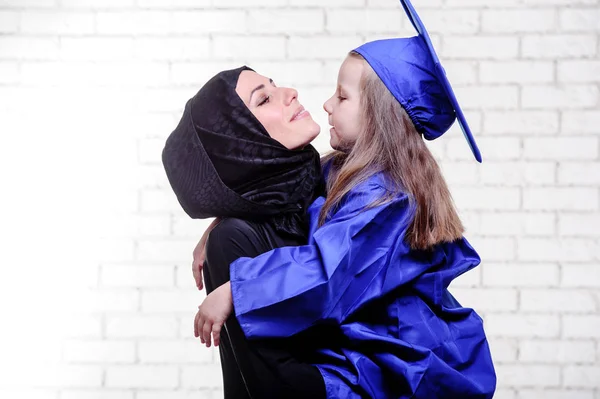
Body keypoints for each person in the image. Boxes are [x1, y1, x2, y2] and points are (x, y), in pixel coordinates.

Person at [191, 0, 496, 398]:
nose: (326, 104)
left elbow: (327, 274)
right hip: (356, 343)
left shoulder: (388, 197)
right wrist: (216, 223)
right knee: (230, 239)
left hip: (392, 365)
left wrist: (235, 290)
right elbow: (284, 193)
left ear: (378, 115)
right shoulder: (341, 169)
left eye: (343, 96)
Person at [162, 65, 330, 398]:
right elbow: (275, 386)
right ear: (241, 142)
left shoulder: (330, 185)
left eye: (275, 84)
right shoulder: (234, 239)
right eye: (264, 99)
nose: (290, 92)